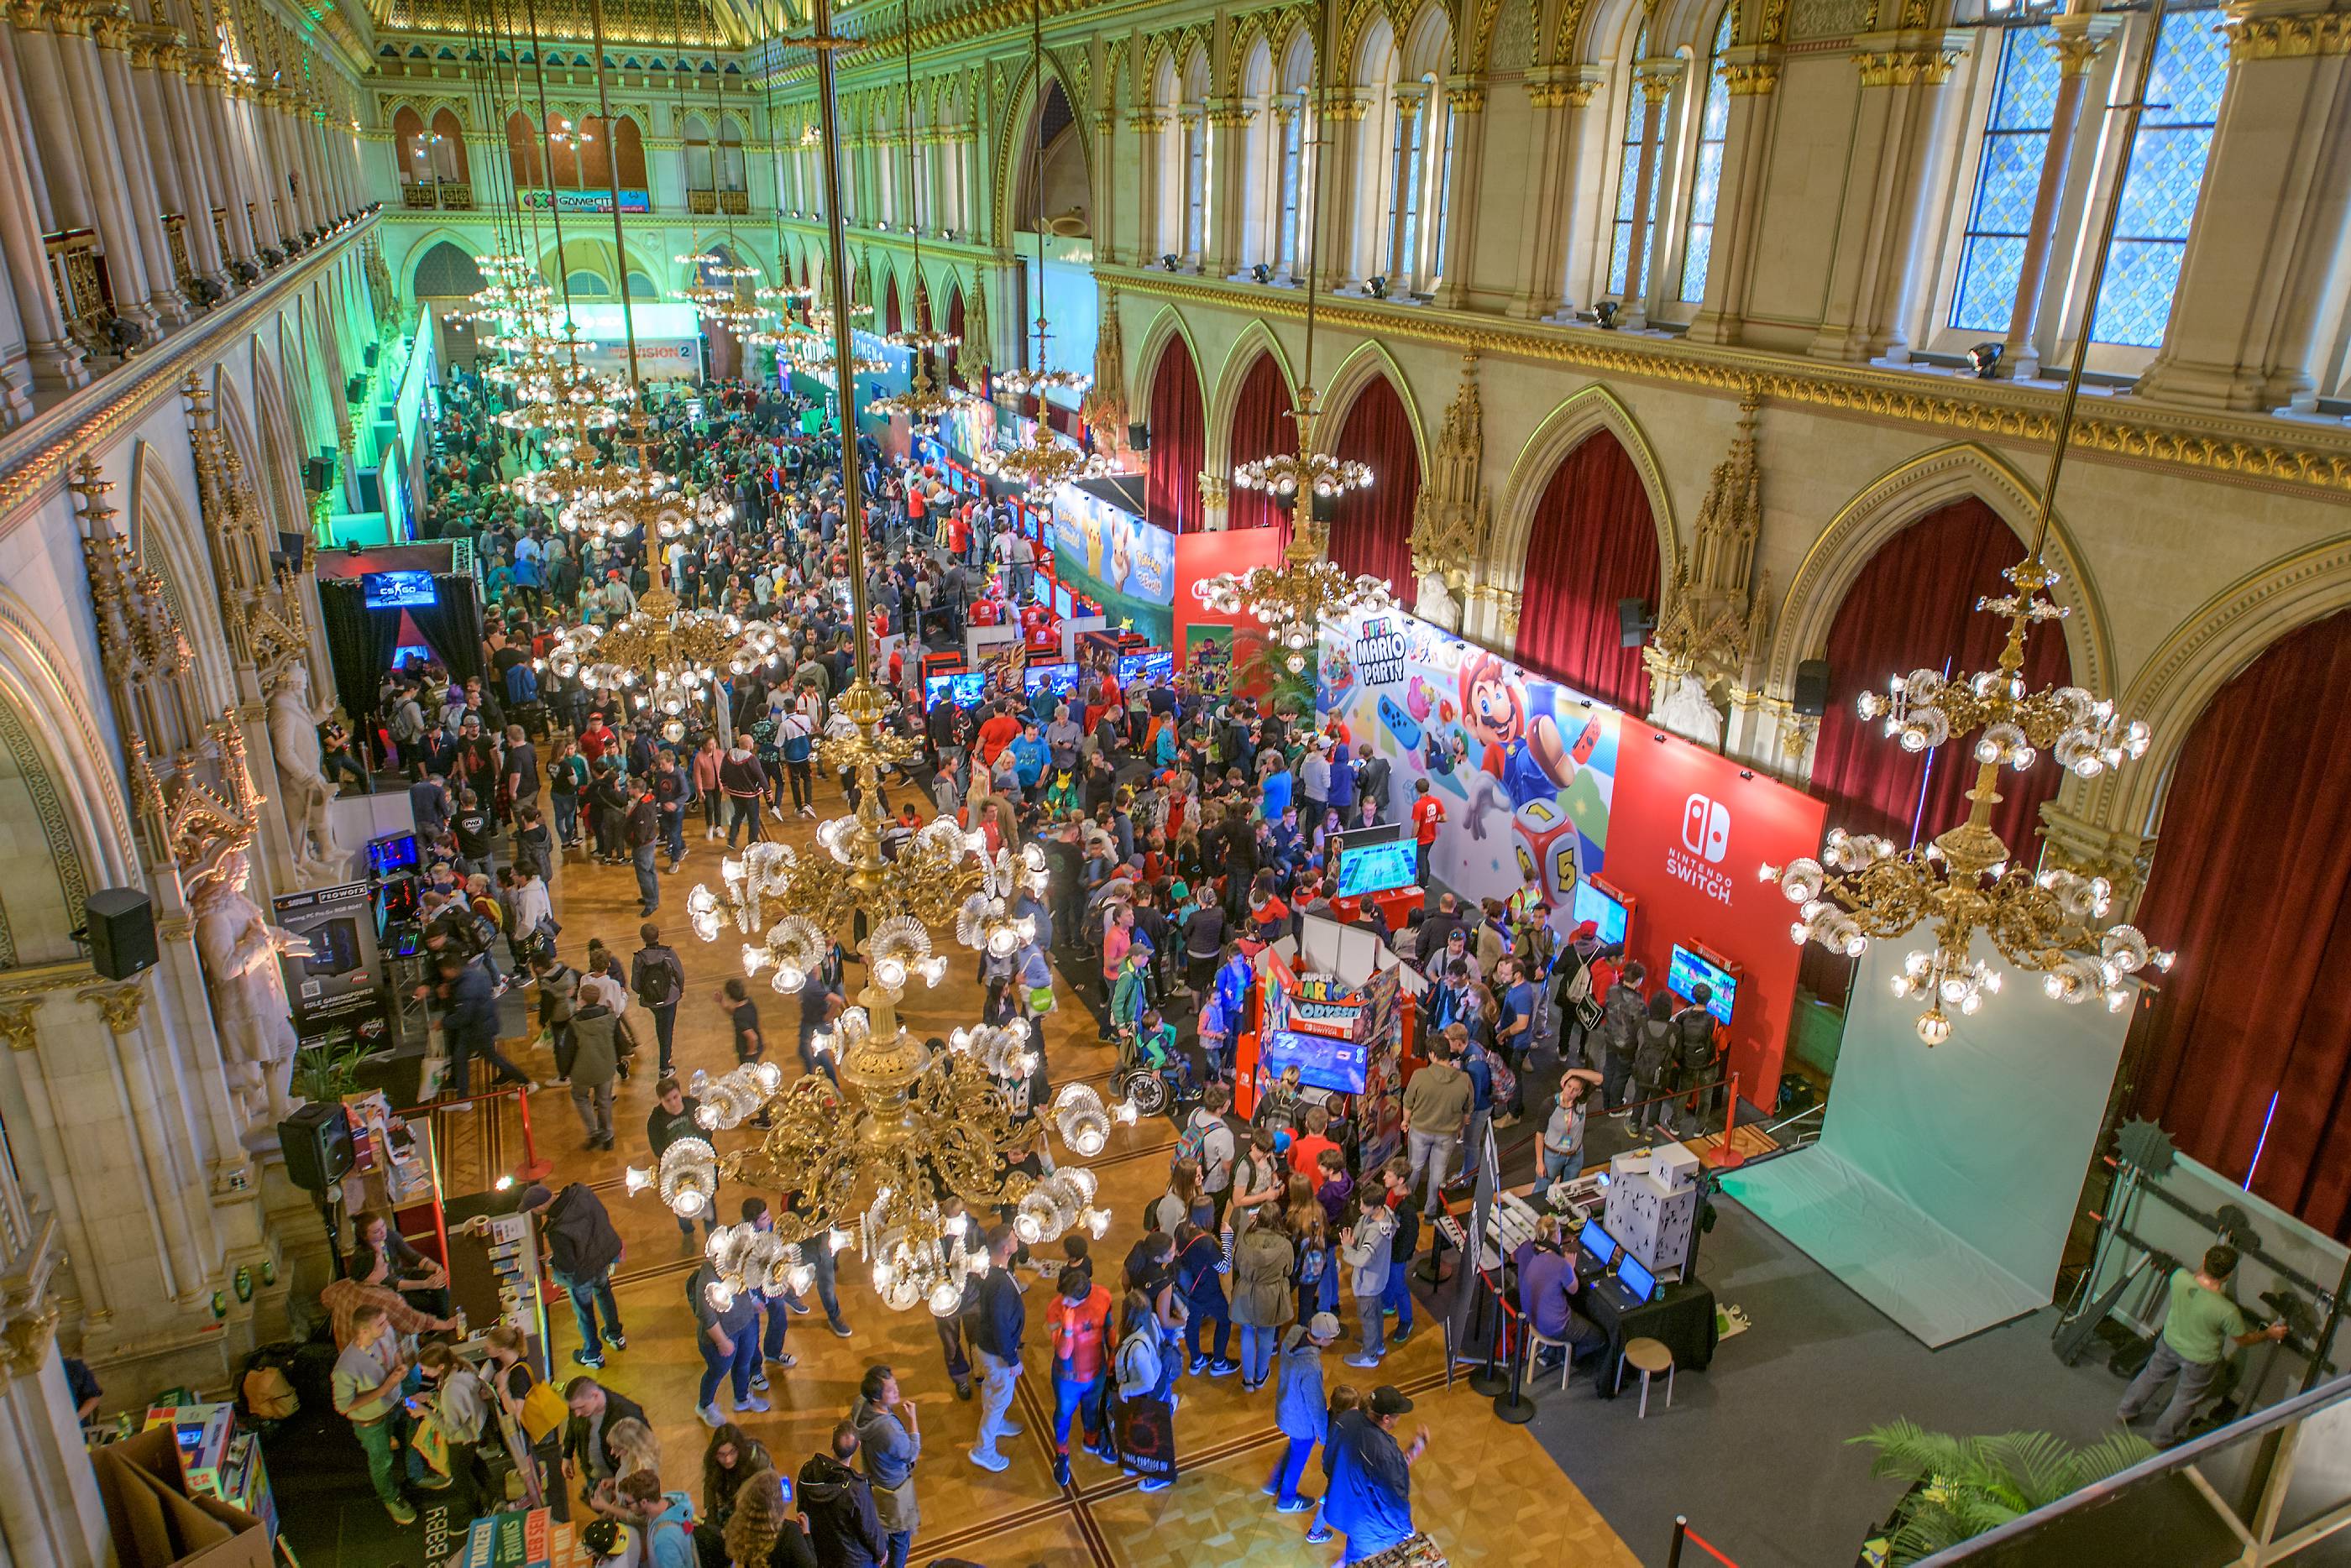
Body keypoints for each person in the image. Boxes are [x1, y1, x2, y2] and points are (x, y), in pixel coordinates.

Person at [2118, 1245, 2288, 1447]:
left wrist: (2210, 1259)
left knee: (2151, 1376)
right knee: (2185, 1399)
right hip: (2200, 1360)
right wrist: (2268, 1333)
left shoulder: (2179, 1278)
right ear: (2229, 1275)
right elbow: (2243, 1340)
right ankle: (2161, 1439)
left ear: (2205, 1258)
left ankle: (2126, 1411)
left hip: (2169, 1342)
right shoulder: (2227, 1310)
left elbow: (2199, 1275)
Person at [521, 1182, 627, 1367]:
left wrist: (553, 1261)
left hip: (583, 1274)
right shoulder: (582, 1193)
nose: (533, 1213)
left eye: (532, 1209)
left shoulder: (557, 1230)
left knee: (584, 1312)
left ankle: (593, 1354)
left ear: (540, 1207)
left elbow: (568, 1266)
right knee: (604, 1294)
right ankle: (615, 1335)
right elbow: (599, 1219)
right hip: (602, 1258)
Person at [1323, 1385, 1428, 1564]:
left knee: (1356, 1550)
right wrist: (1407, 1530)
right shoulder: (1386, 1454)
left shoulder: (1346, 1419)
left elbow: (1328, 1461)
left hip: (1346, 1512)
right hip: (1374, 1528)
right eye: (1397, 1415)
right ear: (1386, 1418)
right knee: (1381, 1558)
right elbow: (1393, 1501)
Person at [332, 1304, 416, 1524]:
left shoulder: (385, 1333)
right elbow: (343, 1405)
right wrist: (383, 1389)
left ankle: (416, 1474)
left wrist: (400, 1367)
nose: (387, 1326)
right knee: (382, 1460)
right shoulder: (346, 1368)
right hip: (372, 1421)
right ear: (363, 1331)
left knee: (410, 1437)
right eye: (381, 1323)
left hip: (395, 1404)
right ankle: (390, 1497)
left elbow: (395, 1350)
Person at [1043, 1264, 1111, 1487]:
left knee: (1093, 1408)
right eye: (1063, 1295)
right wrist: (1068, 1329)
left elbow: (1109, 1329)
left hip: (1096, 1371)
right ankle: (1062, 1453)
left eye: (1069, 1299)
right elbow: (1062, 1352)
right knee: (1063, 1414)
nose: (1063, 1301)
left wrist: (1112, 1356)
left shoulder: (1103, 1297)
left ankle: (1091, 1438)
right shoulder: (1055, 1308)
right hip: (1068, 1378)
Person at [965, 1223, 1026, 1472]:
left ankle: (997, 1423)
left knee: (993, 1388)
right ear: (1005, 1248)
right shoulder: (999, 1283)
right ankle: (983, 1450)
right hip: (997, 1351)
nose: (1017, 1240)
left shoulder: (995, 1271)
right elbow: (1000, 1325)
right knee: (1001, 1397)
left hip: (988, 1346)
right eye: (1013, 1238)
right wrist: (1012, 1360)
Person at [848, 1366, 921, 1568]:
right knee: (900, 1538)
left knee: (881, 1527)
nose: (896, 1390)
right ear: (877, 1398)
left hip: (873, 1478)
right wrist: (913, 1418)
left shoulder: (860, 1403)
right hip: (894, 1488)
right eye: (890, 1390)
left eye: (894, 1384)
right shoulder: (889, 1430)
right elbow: (912, 1452)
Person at [1268, 1311, 1340, 1513]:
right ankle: (1287, 1499)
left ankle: (1273, 1482)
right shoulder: (1311, 1365)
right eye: (1331, 1338)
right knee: (1297, 1461)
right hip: (1301, 1421)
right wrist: (1324, 1437)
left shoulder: (1295, 1332)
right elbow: (1316, 1405)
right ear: (1323, 1339)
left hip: (1285, 1406)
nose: (1333, 1341)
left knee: (1293, 1448)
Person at [413, 1342, 494, 1521]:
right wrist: (430, 1398)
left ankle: (479, 1511)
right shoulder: (461, 1367)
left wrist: (425, 1412)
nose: (423, 1374)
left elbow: (450, 1430)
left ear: (440, 1367)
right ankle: (490, 1492)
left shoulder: (450, 1389)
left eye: (425, 1370)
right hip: (477, 1426)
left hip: (465, 1437)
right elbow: (457, 1406)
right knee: (473, 1463)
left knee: (460, 1475)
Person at [1400, 1029, 1474, 1216]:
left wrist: (1406, 1121)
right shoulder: (1464, 1080)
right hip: (1447, 1135)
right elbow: (1467, 1111)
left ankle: (1405, 1204)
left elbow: (1408, 1102)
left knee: (1414, 1168)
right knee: (1438, 1174)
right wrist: (1460, 1128)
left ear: (1432, 1054)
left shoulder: (1419, 1076)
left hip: (1420, 1131)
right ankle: (1432, 1213)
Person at [1109, 1287, 1175, 1493]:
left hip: (1146, 1393)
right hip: (1158, 1386)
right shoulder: (1152, 1322)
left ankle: (1158, 1477)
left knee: (1151, 1436)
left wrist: (1126, 1390)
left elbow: (1147, 1383)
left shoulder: (1137, 1348)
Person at [693, 1256, 770, 1426]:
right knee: (717, 1372)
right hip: (722, 1336)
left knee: (744, 1364)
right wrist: (721, 1341)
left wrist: (753, 1301)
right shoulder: (707, 1277)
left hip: (745, 1324)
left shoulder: (737, 1263)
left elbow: (746, 1283)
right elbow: (706, 1315)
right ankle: (704, 1405)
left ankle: (742, 1399)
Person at [799, 1423, 888, 1568]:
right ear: (858, 1446)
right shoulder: (856, 1489)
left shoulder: (808, 1472)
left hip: (822, 1553)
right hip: (854, 1560)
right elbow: (869, 1528)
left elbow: (802, 1509)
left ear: (832, 1446)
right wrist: (882, 1552)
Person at [1232, 1210, 1298, 1393]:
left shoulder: (1245, 1238)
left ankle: (1248, 1379)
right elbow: (1289, 1270)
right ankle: (1260, 1376)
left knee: (1246, 1331)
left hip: (1247, 1290)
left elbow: (1236, 1264)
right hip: (1271, 1293)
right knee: (1267, 1334)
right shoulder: (1285, 1245)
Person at [564, 1378, 651, 1509]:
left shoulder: (627, 1414)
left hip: (622, 1481)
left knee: (624, 1517)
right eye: (574, 1409)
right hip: (594, 1474)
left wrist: (619, 1481)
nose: (577, 1413)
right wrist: (567, 1455)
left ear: (595, 1395)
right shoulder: (579, 1406)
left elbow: (645, 1457)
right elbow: (572, 1426)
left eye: (581, 1408)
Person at [1339, 1197, 1397, 1369]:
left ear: (1377, 1207)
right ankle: (1376, 1344)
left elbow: (1362, 1259)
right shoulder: (1383, 1215)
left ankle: (1370, 1355)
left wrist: (1347, 1248)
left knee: (1368, 1318)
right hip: (1377, 1280)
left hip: (1368, 1283)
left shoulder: (1376, 1234)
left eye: (1365, 1205)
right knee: (1376, 1313)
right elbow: (1360, 1228)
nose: (1360, 1207)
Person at [1175, 1219, 1238, 1377]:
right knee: (1225, 1320)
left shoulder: (1182, 1229)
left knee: (1193, 1322)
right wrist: (1227, 1238)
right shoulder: (1206, 1243)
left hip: (1190, 1289)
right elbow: (1224, 1266)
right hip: (1209, 1291)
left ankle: (1197, 1360)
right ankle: (1219, 1363)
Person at [631, 923, 687, 1075]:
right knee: (667, 1029)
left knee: (660, 1024)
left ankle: (666, 1053)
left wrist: (647, 992)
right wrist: (679, 991)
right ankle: (664, 1067)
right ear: (659, 935)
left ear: (642, 938)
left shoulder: (639, 958)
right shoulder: (668, 953)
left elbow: (635, 984)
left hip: (651, 1001)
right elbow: (680, 974)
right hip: (670, 998)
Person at [703, 1422, 775, 1539]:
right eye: (721, 1454)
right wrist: (711, 1517)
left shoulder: (757, 1458)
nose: (727, 1460)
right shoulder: (712, 1460)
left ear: (740, 1448)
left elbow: (772, 1493)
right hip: (731, 1509)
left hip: (759, 1510)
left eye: (732, 1452)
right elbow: (709, 1485)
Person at [612, 1471, 699, 1568]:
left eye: (627, 1503)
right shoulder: (669, 1501)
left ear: (644, 1502)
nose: (626, 1506)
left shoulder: (665, 1538)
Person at [1541, 1069, 1606, 1183]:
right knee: (1542, 1191)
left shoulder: (1581, 1100)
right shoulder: (1550, 1104)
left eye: (1575, 1089)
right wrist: (1539, 1162)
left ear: (1580, 1092)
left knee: (1569, 1188)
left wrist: (1572, 1072)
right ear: (1563, 1085)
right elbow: (1539, 1133)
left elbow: (1599, 1078)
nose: (1571, 1091)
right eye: (1569, 1086)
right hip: (1553, 1155)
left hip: (1575, 1155)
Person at [1409, 779, 1444, 883]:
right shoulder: (1437, 801)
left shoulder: (1418, 805)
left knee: (1421, 863)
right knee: (1424, 859)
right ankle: (1426, 880)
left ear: (1417, 790)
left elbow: (1416, 825)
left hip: (1421, 839)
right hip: (1431, 837)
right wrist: (1434, 820)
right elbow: (1445, 818)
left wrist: (1412, 838)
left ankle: (1422, 884)